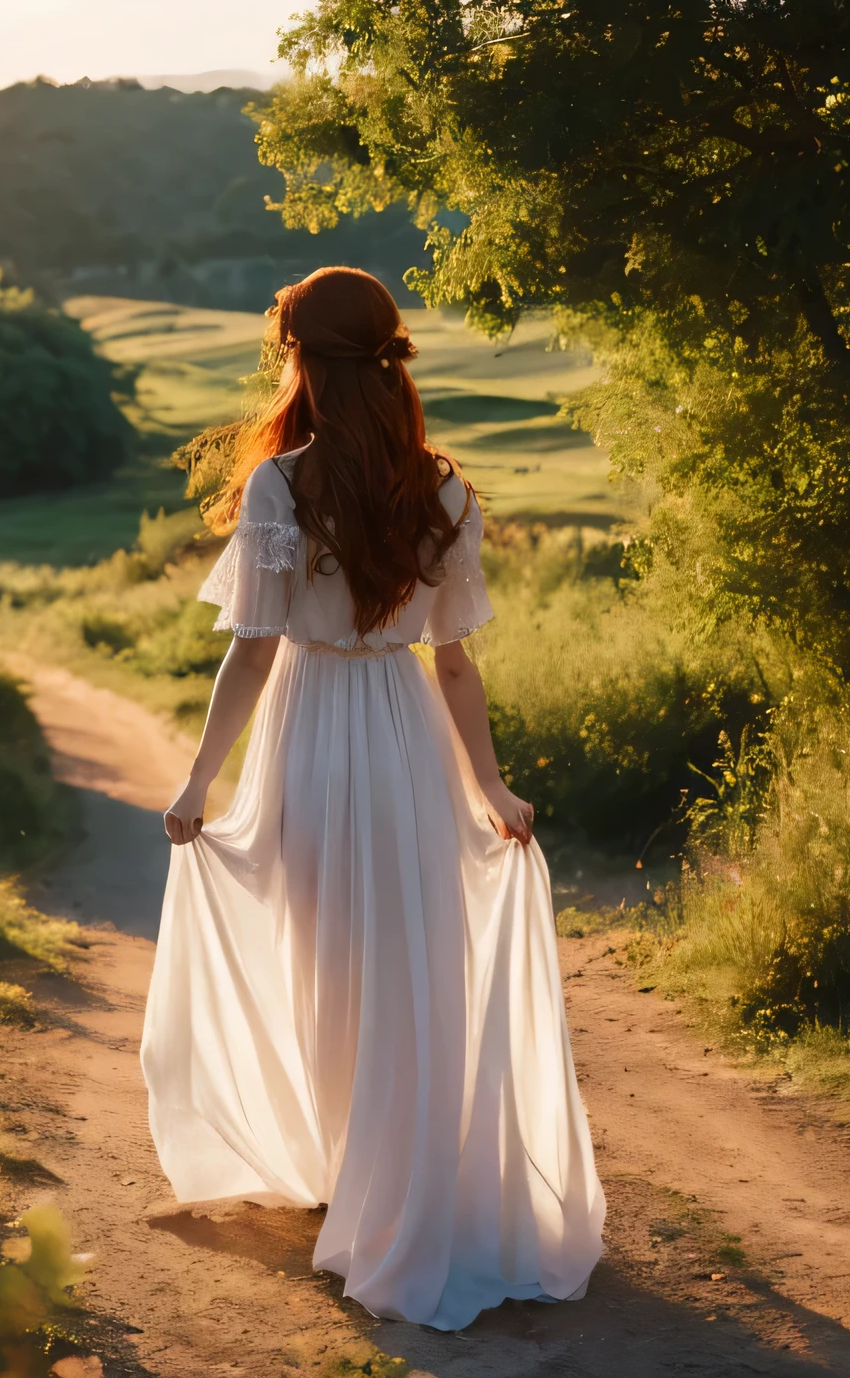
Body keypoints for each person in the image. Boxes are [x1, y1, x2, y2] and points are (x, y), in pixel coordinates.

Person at [140, 267, 605, 1331]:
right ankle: (397, 1185)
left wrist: (198, 781)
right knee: (411, 961)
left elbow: (253, 658)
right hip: (405, 742)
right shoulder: (442, 487)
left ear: (301, 358)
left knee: (326, 961)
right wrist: (488, 784)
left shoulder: (281, 486)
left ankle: (363, 1179)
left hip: (310, 736)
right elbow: (452, 664)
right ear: (387, 357)